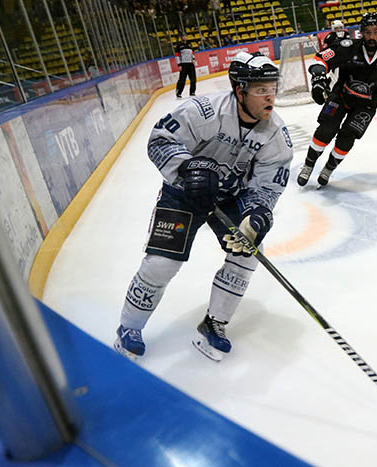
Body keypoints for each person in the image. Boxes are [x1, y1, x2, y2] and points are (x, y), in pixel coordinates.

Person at [114, 52, 293, 362]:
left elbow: (267, 184)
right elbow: (159, 139)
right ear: (240, 91)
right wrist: (187, 168)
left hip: (231, 196)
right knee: (162, 264)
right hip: (183, 193)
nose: (270, 96)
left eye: (272, 88)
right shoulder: (204, 111)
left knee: (246, 254)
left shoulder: (275, 133)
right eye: (261, 90)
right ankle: (128, 328)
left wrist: (257, 214)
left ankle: (215, 323)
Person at [296, 12, 377, 187]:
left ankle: (329, 168)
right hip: (341, 96)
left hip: (366, 105)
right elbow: (320, 59)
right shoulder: (348, 46)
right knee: (326, 130)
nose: (372, 36)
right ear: (361, 32)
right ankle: (308, 165)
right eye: (367, 32)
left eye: (376, 32)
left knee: (347, 137)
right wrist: (318, 80)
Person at [175, 33, 197, 98]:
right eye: (183, 36)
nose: (184, 37)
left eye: (185, 36)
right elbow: (177, 56)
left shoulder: (190, 44)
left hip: (190, 64)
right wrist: (179, 64)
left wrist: (193, 59)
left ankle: (192, 92)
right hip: (183, 64)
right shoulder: (179, 46)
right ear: (181, 37)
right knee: (182, 80)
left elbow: (192, 53)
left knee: (193, 79)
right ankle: (178, 92)